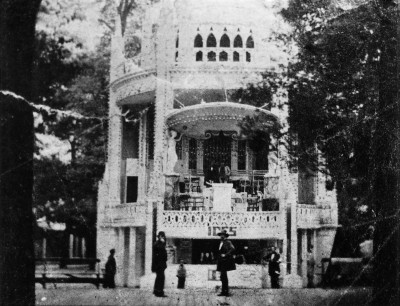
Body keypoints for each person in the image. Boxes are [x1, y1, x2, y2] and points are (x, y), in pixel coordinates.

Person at [216, 229, 236, 296]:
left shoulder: (228, 242)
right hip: (221, 261)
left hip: (225, 261)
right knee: (222, 276)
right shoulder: (221, 242)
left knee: (224, 276)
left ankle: (226, 292)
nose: (221, 236)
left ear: (225, 236)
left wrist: (226, 254)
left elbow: (232, 248)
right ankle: (223, 291)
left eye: (222, 235)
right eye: (221, 235)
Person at [152, 231, 168, 297]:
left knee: (159, 277)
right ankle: (159, 292)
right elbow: (161, 252)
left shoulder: (159, 243)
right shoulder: (157, 244)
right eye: (162, 236)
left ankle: (156, 291)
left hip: (160, 264)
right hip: (159, 264)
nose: (163, 237)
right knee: (161, 278)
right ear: (160, 236)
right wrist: (162, 242)